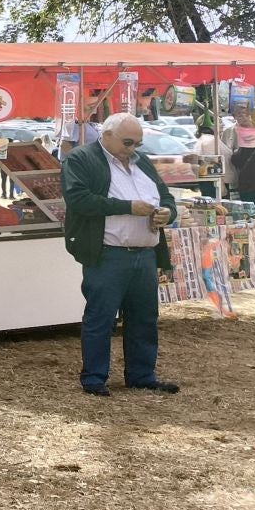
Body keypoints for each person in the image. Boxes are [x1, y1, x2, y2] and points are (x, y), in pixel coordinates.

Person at [61, 113, 180, 397]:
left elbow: (166, 198)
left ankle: (142, 375)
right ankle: (94, 378)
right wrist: (126, 206)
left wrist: (167, 213)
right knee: (101, 317)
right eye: (128, 142)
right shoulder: (82, 159)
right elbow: (78, 199)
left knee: (144, 318)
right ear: (107, 135)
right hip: (108, 254)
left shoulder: (143, 163)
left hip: (145, 253)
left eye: (138, 143)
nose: (133, 149)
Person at [229, 106, 255, 204]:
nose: (244, 117)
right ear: (235, 116)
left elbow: (236, 159)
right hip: (245, 182)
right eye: (240, 115)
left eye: (247, 114)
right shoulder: (230, 131)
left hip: (248, 183)